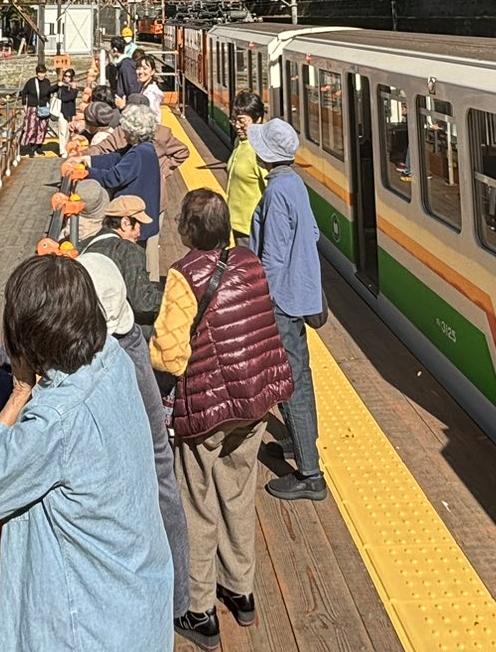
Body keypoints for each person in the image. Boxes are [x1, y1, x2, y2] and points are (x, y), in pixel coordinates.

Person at [0, 255, 173, 652]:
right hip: (135, 603)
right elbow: (30, 460)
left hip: (86, 629)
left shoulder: (56, 421)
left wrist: (19, 393)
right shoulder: (109, 358)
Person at [150, 190, 294, 651]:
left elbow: (170, 358)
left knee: (196, 502)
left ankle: (200, 610)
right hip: (256, 398)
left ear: (189, 232)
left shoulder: (183, 275)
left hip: (209, 406)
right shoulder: (249, 261)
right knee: (237, 491)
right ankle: (242, 589)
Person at [249, 119, 328, 502]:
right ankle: (301, 443)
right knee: (302, 373)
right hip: (299, 295)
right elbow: (311, 234)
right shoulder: (294, 183)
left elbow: (273, 257)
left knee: (289, 379)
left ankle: (310, 475)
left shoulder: (276, 191)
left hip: (280, 299)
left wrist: (258, 296)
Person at [88, 104, 161, 269]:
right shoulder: (146, 149)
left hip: (132, 217)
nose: (122, 132)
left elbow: (114, 178)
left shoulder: (138, 153)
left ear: (132, 131)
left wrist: (87, 172)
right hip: (141, 215)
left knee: (130, 262)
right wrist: (89, 160)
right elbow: (117, 158)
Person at [82, 192, 161, 324]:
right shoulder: (128, 251)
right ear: (125, 223)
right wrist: (172, 297)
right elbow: (143, 303)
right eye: (138, 226)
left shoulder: (87, 244)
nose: (139, 233)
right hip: (115, 327)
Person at [226, 92, 268, 248]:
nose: (237, 126)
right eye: (234, 120)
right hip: (236, 226)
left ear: (258, 119)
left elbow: (270, 190)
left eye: (242, 121)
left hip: (251, 229)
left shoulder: (260, 151)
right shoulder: (240, 142)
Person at [19, 64, 58, 153]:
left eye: (43, 73)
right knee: (31, 127)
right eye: (40, 73)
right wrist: (24, 104)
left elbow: (49, 90)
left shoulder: (47, 82)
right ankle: (28, 146)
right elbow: (24, 92)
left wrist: (57, 86)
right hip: (33, 107)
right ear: (37, 73)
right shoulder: (31, 82)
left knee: (42, 127)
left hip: (44, 107)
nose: (42, 75)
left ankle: (39, 145)